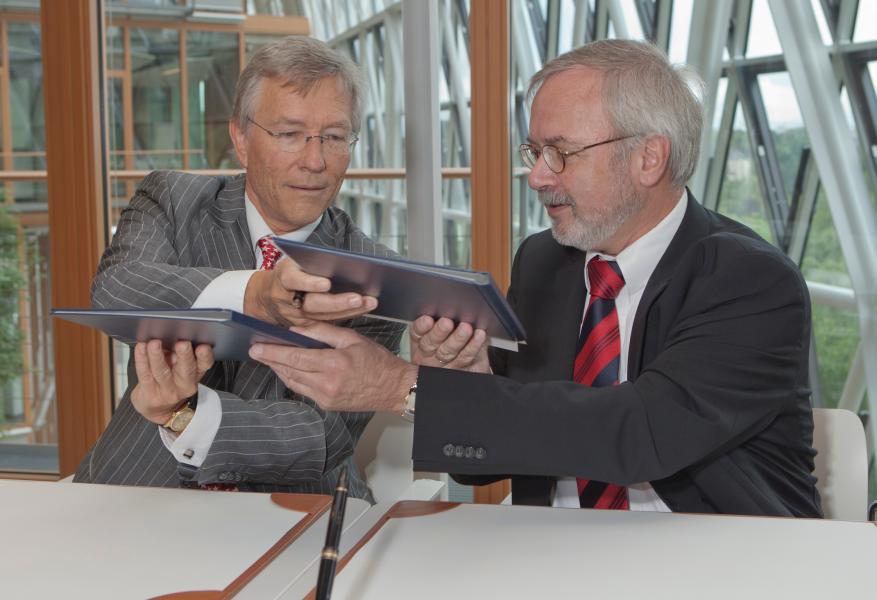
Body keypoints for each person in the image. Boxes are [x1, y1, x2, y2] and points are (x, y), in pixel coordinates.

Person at [248, 39, 822, 517]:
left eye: (560, 153)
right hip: (547, 554)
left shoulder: (749, 280)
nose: (537, 176)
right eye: (534, 150)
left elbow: (637, 433)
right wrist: (462, 376)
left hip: (723, 563)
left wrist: (402, 386)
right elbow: (493, 464)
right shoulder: (546, 262)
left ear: (649, 158)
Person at [73, 36, 404, 501]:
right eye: (289, 135)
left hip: (297, 508)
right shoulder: (172, 200)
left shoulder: (374, 275)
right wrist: (255, 294)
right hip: (140, 484)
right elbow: (116, 292)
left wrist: (185, 413)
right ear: (241, 140)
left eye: (333, 137)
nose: (315, 162)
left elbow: (319, 435)